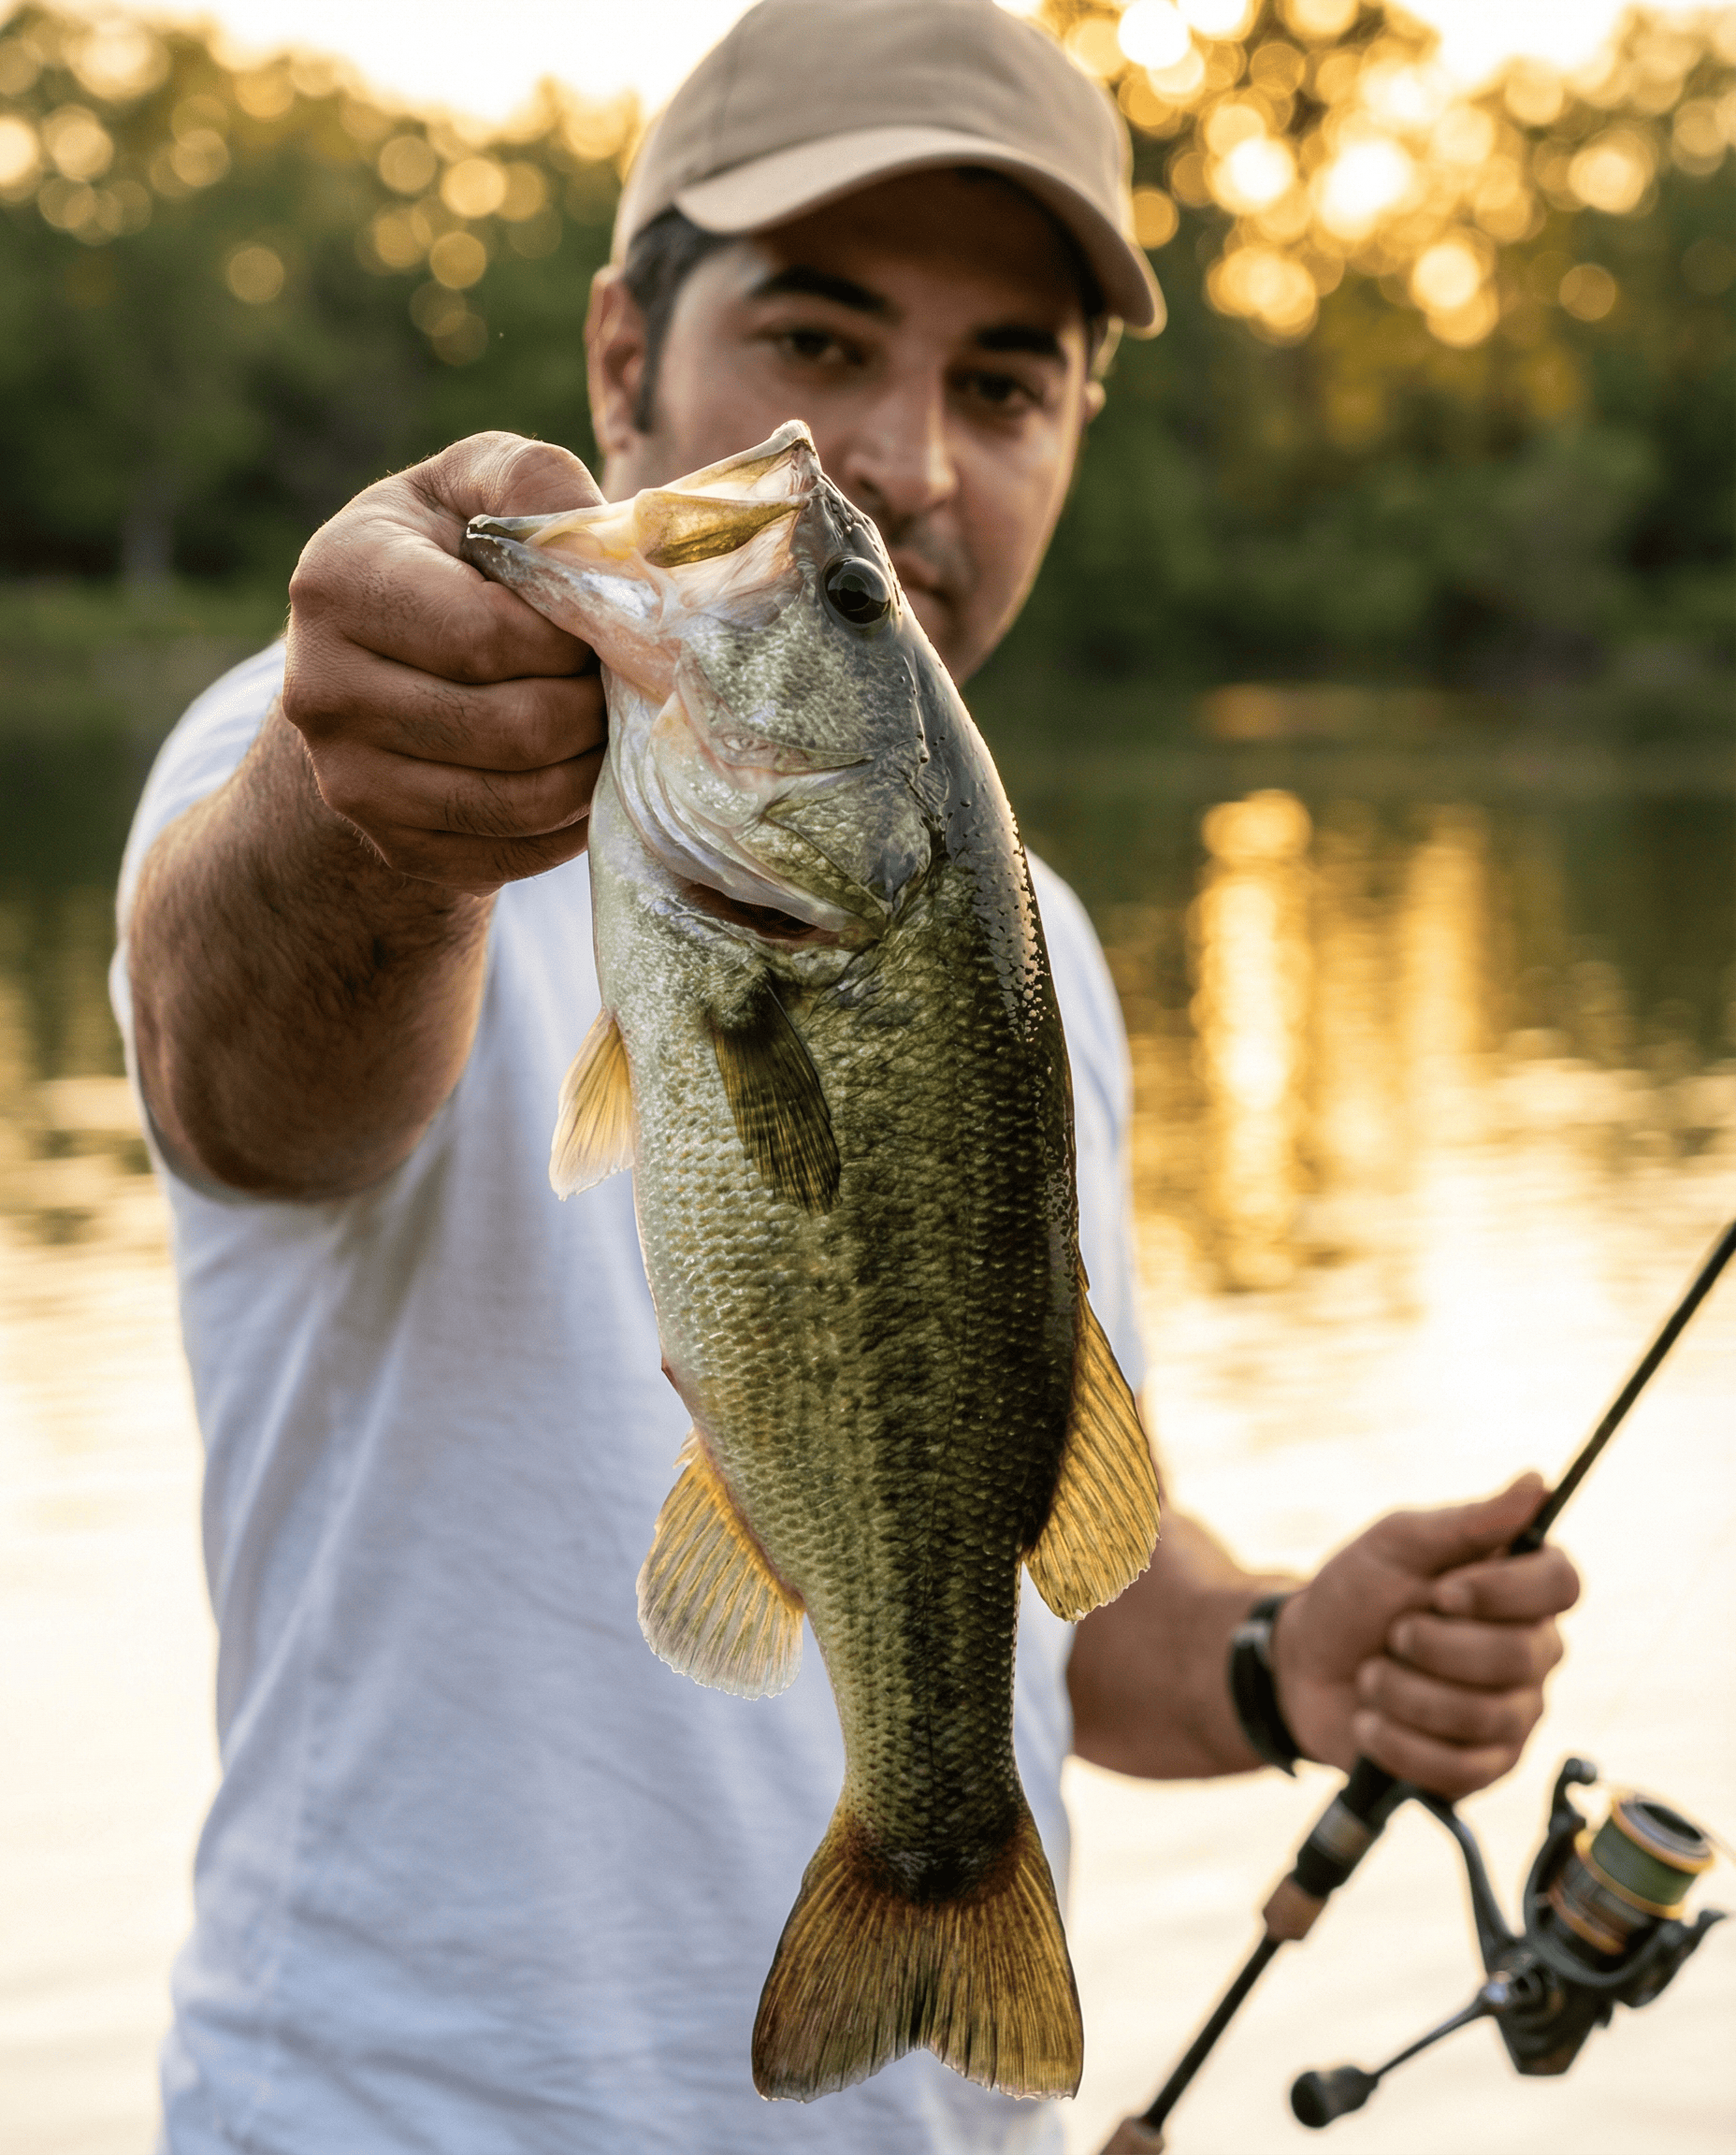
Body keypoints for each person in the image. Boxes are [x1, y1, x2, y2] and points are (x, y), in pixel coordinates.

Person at [115, 2, 1580, 2149]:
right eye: (816, 345)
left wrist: (1278, 1659)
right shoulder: (337, 755)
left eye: (1004, 383)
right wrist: (359, 832)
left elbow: (998, 1528)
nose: (900, 460)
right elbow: (243, 1084)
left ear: (1076, 431)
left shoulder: (1033, 942)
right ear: (622, 357)